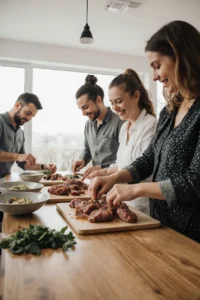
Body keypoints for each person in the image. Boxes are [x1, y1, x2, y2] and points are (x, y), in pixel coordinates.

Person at [89, 20, 200, 243]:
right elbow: (150, 158)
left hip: (191, 232)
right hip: (160, 223)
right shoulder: (171, 109)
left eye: (157, 65)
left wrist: (137, 190)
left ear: (182, 57)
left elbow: (195, 183)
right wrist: (116, 177)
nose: (155, 76)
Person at [83, 69, 157, 214]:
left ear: (136, 96)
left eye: (119, 101)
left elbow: (146, 168)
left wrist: (111, 178)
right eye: (112, 103)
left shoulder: (150, 124)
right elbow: (121, 165)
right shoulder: (124, 128)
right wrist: (102, 173)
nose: (115, 108)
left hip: (144, 208)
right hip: (122, 204)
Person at [72, 74, 124, 173]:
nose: (83, 113)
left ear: (98, 100)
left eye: (85, 107)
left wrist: (101, 168)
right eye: (81, 109)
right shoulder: (88, 125)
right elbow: (88, 149)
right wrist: (82, 159)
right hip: (95, 180)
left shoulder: (119, 123)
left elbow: (124, 160)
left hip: (115, 181)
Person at [0, 92, 57, 178]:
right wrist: (18, 156)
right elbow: (19, 157)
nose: (29, 119)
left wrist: (44, 166)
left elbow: (23, 163)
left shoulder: (21, 134)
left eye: (32, 116)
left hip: (3, 182)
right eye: (28, 113)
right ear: (17, 106)